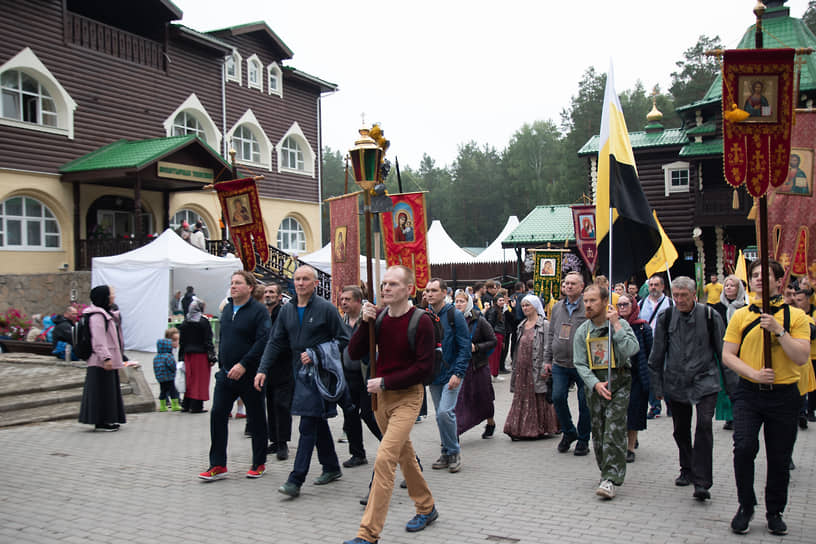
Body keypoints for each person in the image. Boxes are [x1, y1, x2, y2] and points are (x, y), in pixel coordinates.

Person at [342, 266, 438, 544]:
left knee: (385, 460)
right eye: (384, 284)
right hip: (381, 401)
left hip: (408, 398)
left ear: (409, 288)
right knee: (405, 457)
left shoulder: (421, 321)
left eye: (393, 284)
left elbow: (425, 369)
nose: (386, 288)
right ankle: (427, 507)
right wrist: (364, 322)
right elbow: (353, 353)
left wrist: (385, 381)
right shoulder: (379, 317)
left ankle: (368, 534)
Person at [722, 259, 811, 535]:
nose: (760, 278)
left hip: (785, 396)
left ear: (779, 281)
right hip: (749, 393)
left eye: (766, 275)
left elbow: (801, 356)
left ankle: (775, 511)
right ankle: (746, 505)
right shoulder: (740, 316)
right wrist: (754, 374)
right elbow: (728, 356)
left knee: (779, 457)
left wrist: (779, 331)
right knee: (744, 448)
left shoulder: (796, 318)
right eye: (755, 275)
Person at [255, 265, 349, 497]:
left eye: (306, 279)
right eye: (297, 279)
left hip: (320, 376)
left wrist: (318, 352)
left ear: (316, 283)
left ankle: (295, 480)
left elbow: (344, 339)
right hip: (297, 374)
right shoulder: (287, 310)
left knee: (307, 424)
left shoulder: (326, 309)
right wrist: (262, 369)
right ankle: (331, 467)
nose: (300, 283)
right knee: (316, 421)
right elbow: (275, 341)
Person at [649, 276, 725, 501]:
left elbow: (723, 353)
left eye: (684, 295)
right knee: (680, 428)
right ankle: (687, 467)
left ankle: (702, 481)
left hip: (706, 379)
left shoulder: (710, 316)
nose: (680, 300)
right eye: (676, 295)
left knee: (703, 426)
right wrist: (657, 386)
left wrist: (733, 389)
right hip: (676, 380)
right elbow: (657, 354)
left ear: (694, 295)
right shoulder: (667, 317)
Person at [198, 271, 270, 481]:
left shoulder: (259, 312)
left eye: (238, 283)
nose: (233, 286)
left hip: (250, 375)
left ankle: (259, 463)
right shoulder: (227, 308)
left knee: (256, 419)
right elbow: (225, 339)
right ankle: (218, 464)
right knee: (218, 414)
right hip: (226, 374)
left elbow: (262, 341)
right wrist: (223, 365)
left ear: (250, 287)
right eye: (231, 283)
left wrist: (244, 364)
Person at [573, 284, 639, 500]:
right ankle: (605, 470)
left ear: (604, 302)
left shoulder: (619, 325)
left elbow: (631, 350)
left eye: (593, 300)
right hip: (595, 385)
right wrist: (594, 384)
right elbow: (580, 363)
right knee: (599, 430)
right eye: (586, 301)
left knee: (614, 428)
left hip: (618, 381)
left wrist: (616, 323)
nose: (588, 305)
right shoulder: (583, 331)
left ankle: (611, 477)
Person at [424, 277, 470, 473]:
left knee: (445, 412)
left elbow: (465, 346)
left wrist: (458, 372)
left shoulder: (454, 315)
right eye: (427, 290)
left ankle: (453, 452)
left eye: (434, 290)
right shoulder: (424, 315)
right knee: (440, 416)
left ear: (445, 293)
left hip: (452, 373)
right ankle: (445, 452)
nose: (429, 294)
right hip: (434, 375)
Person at [543, 271, 591, 455]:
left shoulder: (588, 307)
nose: (568, 286)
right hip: (560, 363)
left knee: (584, 403)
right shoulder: (557, 308)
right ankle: (569, 432)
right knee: (557, 397)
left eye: (573, 284)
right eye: (566, 283)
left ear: (581, 287)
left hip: (583, 364)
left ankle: (584, 440)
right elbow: (551, 333)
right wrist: (547, 359)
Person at [504, 294, 559, 440]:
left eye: (528, 305)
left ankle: (541, 427)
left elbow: (548, 346)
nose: (525, 308)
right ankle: (520, 427)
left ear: (535, 306)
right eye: (523, 306)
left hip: (536, 365)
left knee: (538, 396)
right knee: (522, 397)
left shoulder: (544, 325)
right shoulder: (521, 325)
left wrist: (545, 365)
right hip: (522, 368)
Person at [339, 285, 382, 468]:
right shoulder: (341, 321)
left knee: (368, 413)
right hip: (347, 375)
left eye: (347, 299)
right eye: (342, 299)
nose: (343, 303)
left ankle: (392, 447)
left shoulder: (369, 319)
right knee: (350, 414)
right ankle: (357, 453)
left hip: (367, 374)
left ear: (358, 301)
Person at [78, 285, 127, 432]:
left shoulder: (105, 314)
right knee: (102, 391)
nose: (113, 296)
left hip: (105, 359)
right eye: (111, 294)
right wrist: (106, 358)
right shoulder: (98, 316)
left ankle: (108, 419)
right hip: (100, 361)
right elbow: (98, 340)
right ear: (104, 297)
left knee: (107, 390)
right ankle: (102, 421)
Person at [452, 291, 497, 438]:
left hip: (478, 365)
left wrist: (476, 347)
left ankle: (490, 423)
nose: (458, 304)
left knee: (484, 397)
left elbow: (492, 340)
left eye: (462, 301)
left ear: (469, 303)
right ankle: (455, 432)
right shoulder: (451, 320)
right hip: (460, 366)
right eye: (456, 301)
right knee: (460, 400)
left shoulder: (479, 320)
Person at [615, 293, 652, 463]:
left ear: (633, 305)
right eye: (620, 305)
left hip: (637, 375)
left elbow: (650, 353)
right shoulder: (612, 325)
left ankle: (630, 447)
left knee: (634, 411)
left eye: (625, 304)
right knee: (619, 411)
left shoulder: (643, 327)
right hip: (618, 374)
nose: (622, 308)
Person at [262, 282, 293, 460]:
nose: (268, 294)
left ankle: (283, 443)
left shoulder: (284, 313)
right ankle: (273, 439)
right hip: (266, 368)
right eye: (266, 292)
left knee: (282, 405)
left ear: (279, 296)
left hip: (283, 365)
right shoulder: (263, 313)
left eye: (272, 292)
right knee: (270, 404)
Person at [712, 274, 747, 430]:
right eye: (726, 285)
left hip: (742, 351)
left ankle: (742, 414)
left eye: (732, 286)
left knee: (741, 384)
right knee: (726, 385)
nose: (729, 288)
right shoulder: (716, 308)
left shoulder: (746, 308)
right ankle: (729, 417)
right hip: (723, 350)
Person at [640, 274, 673, 418]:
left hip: (666, 343)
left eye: (656, 285)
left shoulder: (671, 303)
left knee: (667, 374)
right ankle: (655, 406)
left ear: (663, 287)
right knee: (651, 375)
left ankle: (671, 404)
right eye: (651, 285)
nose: (653, 288)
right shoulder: (641, 303)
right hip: (648, 343)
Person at [178, 298, 216, 414]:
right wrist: (212, 355)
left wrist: (181, 357)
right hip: (201, 355)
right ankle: (196, 406)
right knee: (199, 381)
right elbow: (208, 340)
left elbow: (182, 341)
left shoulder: (185, 321)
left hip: (188, 355)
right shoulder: (203, 322)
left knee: (189, 379)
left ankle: (186, 404)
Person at [485, 289, 513, 379]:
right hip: (496, 335)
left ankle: (495, 373)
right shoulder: (494, 311)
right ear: (495, 301)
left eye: (502, 300)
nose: (502, 302)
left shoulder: (501, 311)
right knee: (494, 356)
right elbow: (490, 324)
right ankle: (493, 374)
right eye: (499, 300)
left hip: (499, 335)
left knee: (497, 355)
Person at [153, 328, 182, 412]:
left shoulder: (158, 356)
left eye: (177, 340)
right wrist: (175, 370)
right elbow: (172, 365)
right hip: (170, 376)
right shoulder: (168, 355)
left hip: (161, 377)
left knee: (163, 390)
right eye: (174, 340)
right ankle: (175, 403)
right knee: (173, 389)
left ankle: (164, 404)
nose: (176, 342)